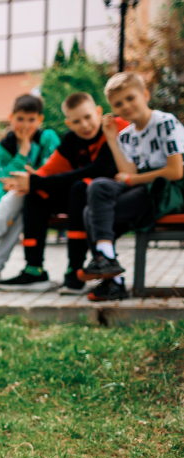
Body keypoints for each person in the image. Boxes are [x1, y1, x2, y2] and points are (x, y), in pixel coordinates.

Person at [1, 93, 130, 293]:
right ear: (69, 124)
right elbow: (50, 169)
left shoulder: (114, 128)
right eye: (77, 121)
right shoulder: (71, 140)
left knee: (79, 187)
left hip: (112, 197)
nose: (84, 125)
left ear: (98, 112)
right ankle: (34, 270)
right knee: (35, 192)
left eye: (88, 117)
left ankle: (75, 272)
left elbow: (98, 170)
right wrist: (27, 181)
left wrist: (36, 180)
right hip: (81, 198)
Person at [84, 72, 184, 302]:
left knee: (92, 214)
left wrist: (133, 180)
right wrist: (111, 139)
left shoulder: (164, 122)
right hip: (143, 190)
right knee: (97, 189)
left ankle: (111, 279)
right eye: (118, 103)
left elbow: (175, 171)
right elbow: (127, 172)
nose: (126, 106)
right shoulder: (126, 135)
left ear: (145, 95)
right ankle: (108, 262)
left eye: (130, 98)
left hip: (170, 190)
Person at [0, 95, 60, 290]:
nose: (25, 125)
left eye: (31, 119)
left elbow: (54, 168)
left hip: (46, 198)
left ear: (40, 120)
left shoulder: (48, 138)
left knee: (21, 199)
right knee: (15, 217)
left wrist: (31, 178)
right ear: (11, 118)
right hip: (10, 203)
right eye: (20, 119)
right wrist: (24, 151)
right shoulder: (3, 147)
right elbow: (6, 179)